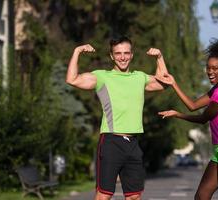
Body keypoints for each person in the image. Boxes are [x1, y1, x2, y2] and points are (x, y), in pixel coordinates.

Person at [66, 36, 168, 200]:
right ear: (112, 56)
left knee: (134, 196)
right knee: (103, 196)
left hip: (133, 144)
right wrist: (77, 51)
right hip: (111, 143)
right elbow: (72, 79)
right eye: (118, 53)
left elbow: (164, 83)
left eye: (126, 53)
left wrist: (159, 57)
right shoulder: (102, 77)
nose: (122, 57)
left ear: (132, 55)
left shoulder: (139, 77)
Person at [158, 39, 218, 200]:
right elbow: (192, 105)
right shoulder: (216, 90)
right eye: (208, 67)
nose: (210, 72)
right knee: (201, 196)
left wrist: (178, 114)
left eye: (215, 68)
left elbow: (203, 119)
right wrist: (173, 84)